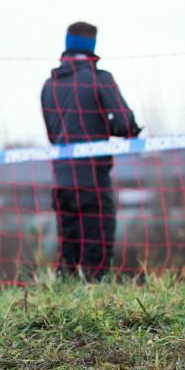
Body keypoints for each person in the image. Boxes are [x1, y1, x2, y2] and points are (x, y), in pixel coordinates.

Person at [40, 21, 141, 280]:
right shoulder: (99, 79)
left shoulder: (49, 85)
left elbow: (52, 136)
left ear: (67, 45)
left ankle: (64, 295)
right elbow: (125, 125)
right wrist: (110, 126)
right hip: (93, 180)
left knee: (68, 253)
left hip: (62, 182)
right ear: (92, 46)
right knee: (97, 248)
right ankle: (96, 293)